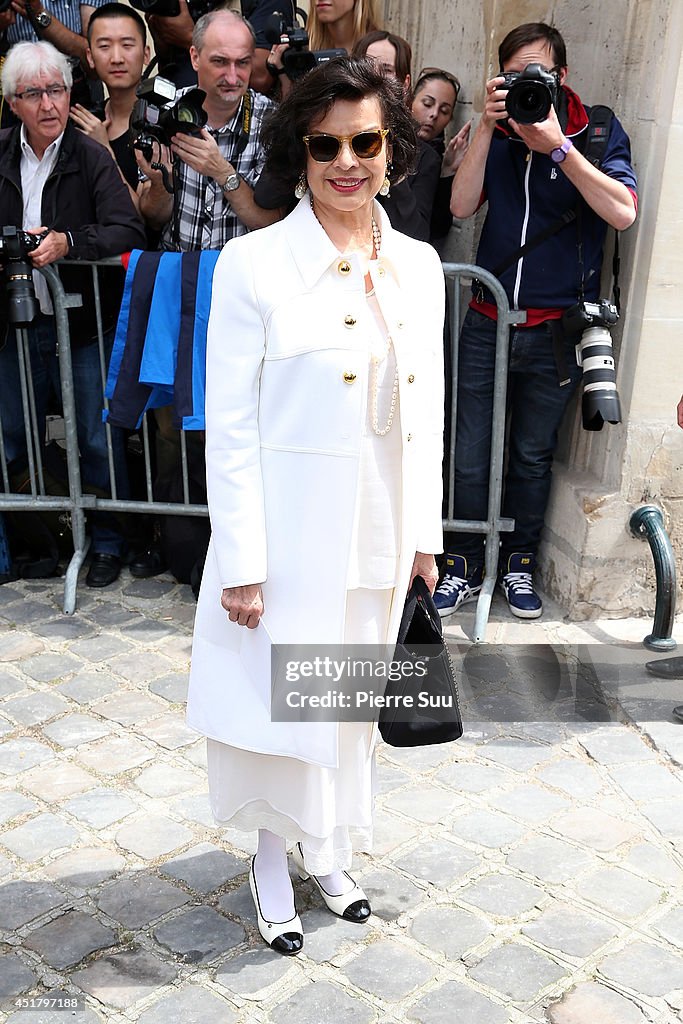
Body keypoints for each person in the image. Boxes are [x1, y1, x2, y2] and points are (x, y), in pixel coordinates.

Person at [187, 56, 445, 955]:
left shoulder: (417, 266)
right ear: (297, 151)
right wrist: (244, 561)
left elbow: (430, 415)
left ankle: (330, 851)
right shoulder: (251, 265)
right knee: (278, 709)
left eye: (365, 141)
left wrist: (425, 538)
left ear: (391, 150)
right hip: (291, 535)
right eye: (326, 144)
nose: (347, 161)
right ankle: (270, 861)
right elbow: (229, 426)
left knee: (342, 702)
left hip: (378, 525)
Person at [436, 21, 637, 619]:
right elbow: (461, 206)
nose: (530, 83)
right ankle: (464, 561)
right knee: (470, 452)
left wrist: (557, 145)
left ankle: (519, 564)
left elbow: (623, 211)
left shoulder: (594, 131)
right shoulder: (494, 133)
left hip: (554, 332)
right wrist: (487, 132)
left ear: (563, 76)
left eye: (539, 73)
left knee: (530, 453)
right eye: (517, 72)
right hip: (485, 320)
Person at [0, 41, 146, 586]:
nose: (48, 104)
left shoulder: (89, 155)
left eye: (56, 89)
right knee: (12, 434)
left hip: (81, 325)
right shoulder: (0, 153)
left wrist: (69, 242)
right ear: (13, 102)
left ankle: (108, 543)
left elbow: (127, 230)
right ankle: (32, 544)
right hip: (13, 327)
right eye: (33, 93)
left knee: (94, 437)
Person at [137, 8, 279, 249]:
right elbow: (153, 218)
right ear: (195, 57)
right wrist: (162, 182)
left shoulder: (272, 121)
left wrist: (222, 172)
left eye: (242, 63)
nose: (233, 78)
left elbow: (271, 223)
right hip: (180, 274)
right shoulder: (165, 111)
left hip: (244, 278)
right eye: (220, 62)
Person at [352, 30, 440, 242]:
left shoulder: (424, 157)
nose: (373, 78)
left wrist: (393, 158)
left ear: (405, 83)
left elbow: (417, 234)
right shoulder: (327, 140)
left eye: (386, 70)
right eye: (365, 67)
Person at [69, 2, 150, 205]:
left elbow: (144, 219)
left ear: (146, 54)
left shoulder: (158, 123)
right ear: (90, 57)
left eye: (127, 45)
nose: (116, 58)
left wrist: (104, 151)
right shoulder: (86, 121)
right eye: (104, 46)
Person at [410, 66, 470, 243]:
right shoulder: (386, 142)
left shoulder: (434, 157)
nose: (434, 114)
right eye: (427, 104)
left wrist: (448, 170)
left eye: (444, 111)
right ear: (410, 101)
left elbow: (438, 228)